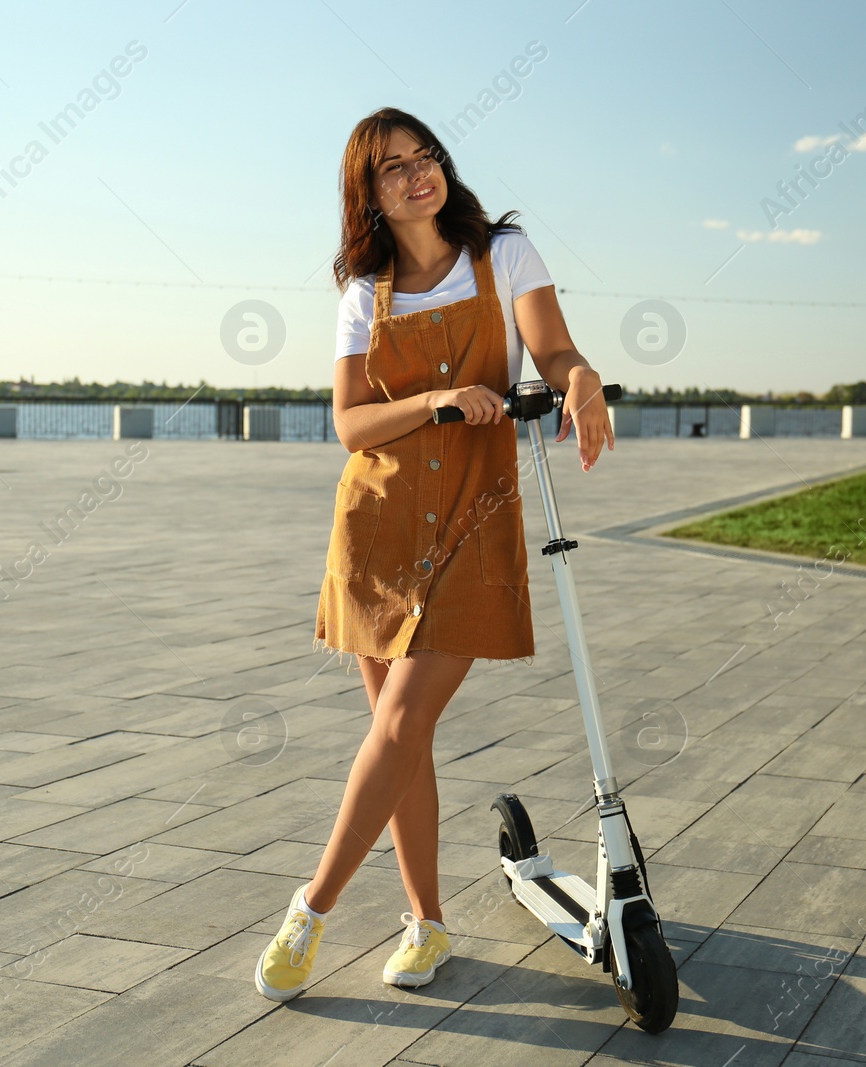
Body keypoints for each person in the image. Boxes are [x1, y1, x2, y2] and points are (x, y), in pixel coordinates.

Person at [255, 107, 613, 1002]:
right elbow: (349, 426)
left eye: (427, 158)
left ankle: (311, 906)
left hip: (472, 520)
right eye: (394, 168)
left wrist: (582, 378)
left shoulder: (503, 255)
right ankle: (428, 925)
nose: (420, 175)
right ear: (367, 194)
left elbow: (555, 348)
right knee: (399, 738)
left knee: (404, 724)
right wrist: (440, 398)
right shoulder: (362, 292)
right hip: (376, 529)